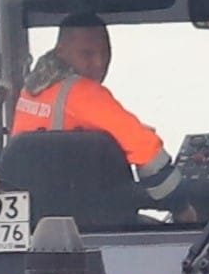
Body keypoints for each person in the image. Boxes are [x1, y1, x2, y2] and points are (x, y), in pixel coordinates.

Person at [9, 22, 168, 184]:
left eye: (105, 52)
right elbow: (147, 151)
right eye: (87, 54)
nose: (100, 63)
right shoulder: (84, 92)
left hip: (36, 193)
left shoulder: (31, 90)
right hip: (75, 195)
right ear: (61, 52)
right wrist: (178, 197)